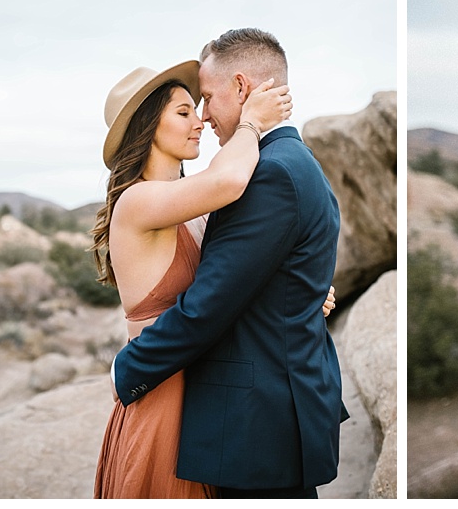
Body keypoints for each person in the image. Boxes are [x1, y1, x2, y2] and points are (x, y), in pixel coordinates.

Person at [110, 28, 350, 498]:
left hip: (256, 418)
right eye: (186, 110)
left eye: (204, 99)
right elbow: (238, 273)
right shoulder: (283, 163)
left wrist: (128, 367)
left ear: (241, 88)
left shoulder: (271, 172)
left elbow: (214, 300)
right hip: (208, 400)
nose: (202, 116)